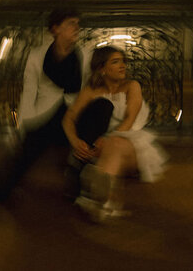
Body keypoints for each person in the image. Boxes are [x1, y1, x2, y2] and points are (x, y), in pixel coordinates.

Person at [0, 8, 90, 209]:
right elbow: (28, 93)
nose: (77, 28)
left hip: (73, 117)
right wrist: (22, 125)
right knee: (28, 150)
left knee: (88, 133)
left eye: (78, 23)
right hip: (45, 116)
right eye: (71, 23)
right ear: (55, 29)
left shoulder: (85, 56)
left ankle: (80, 185)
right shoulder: (37, 56)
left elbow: (90, 89)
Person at [62, 46, 167, 221]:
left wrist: (108, 139)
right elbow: (68, 118)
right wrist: (75, 142)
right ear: (102, 68)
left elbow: (130, 119)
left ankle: (93, 196)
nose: (123, 66)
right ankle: (105, 202)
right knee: (111, 145)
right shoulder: (91, 90)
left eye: (123, 61)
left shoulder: (132, 86)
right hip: (97, 145)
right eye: (116, 62)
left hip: (129, 140)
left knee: (115, 144)